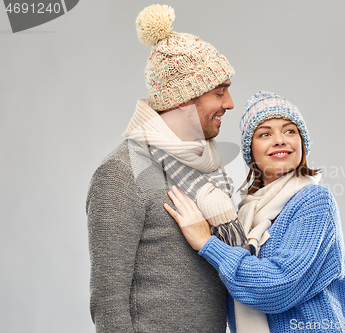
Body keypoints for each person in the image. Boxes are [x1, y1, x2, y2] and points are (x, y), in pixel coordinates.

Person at [86, 4, 245, 332]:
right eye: (219, 92)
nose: (229, 103)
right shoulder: (121, 173)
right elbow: (107, 301)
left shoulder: (208, 169)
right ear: (184, 98)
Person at [164, 91, 345, 333]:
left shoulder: (314, 201)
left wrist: (208, 244)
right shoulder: (244, 217)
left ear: (302, 143)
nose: (280, 140)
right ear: (250, 151)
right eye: (265, 133)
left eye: (289, 131)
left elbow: (278, 286)